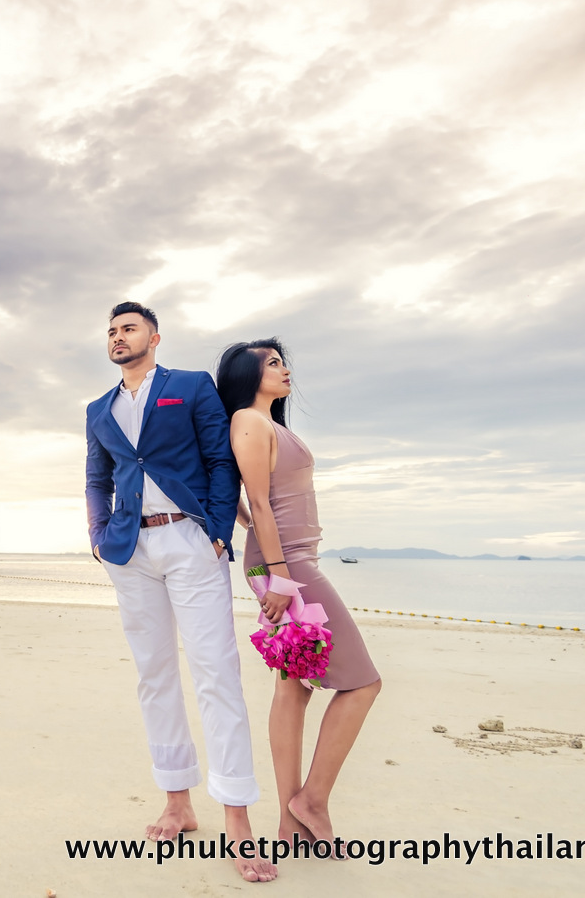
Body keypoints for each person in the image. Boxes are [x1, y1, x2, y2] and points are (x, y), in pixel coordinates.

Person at [85, 302, 277, 884]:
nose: (119, 337)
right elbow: (96, 476)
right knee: (155, 675)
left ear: (154, 336)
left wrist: (218, 531)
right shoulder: (99, 409)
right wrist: (97, 535)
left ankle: (238, 821)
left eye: (129, 328)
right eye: (113, 331)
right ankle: (177, 802)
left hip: (191, 543)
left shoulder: (191, 387)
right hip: (130, 551)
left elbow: (221, 461)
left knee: (217, 673)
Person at [218, 338, 381, 851]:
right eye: (271, 363)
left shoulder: (270, 424)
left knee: (294, 688)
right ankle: (311, 800)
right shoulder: (249, 419)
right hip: (288, 566)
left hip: (286, 562)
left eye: (282, 361)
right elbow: (260, 505)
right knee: (363, 684)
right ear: (248, 375)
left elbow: (247, 503)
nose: (284, 369)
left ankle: (292, 824)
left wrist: (262, 550)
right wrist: (281, 578)